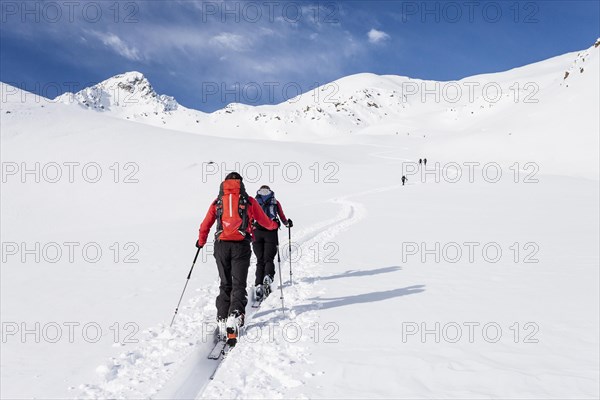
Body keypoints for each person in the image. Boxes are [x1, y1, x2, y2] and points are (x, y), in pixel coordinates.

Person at [196, 172, 277, 345]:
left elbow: (206, 224)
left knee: (225, 283)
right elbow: (264, 221)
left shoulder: (218, 201)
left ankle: (222, 318)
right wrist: (274, 225)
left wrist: (201, 241)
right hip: (241, 245)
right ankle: (235, 316)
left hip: (221, 246)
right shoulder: (248, 200)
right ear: (240, 184)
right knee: (238, 283)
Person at [252, 185, 292, 302]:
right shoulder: (275, 201)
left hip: (256, 232)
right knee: (268, 258)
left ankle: (258, 285)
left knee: (260, 260)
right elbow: (282, 216)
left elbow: (249, 217)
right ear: (270, 191)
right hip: (271, 232)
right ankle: (268, 277)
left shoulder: (254, 202)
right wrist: (287, 223)